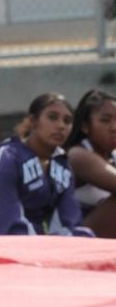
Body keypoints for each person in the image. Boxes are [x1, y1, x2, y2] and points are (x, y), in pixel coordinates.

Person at [0, 93, 93, 236]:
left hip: (40, 246)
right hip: (7, 245)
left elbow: (68, 223)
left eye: (67, 121)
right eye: (52, 117)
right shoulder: (5, 161)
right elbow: (6, 225)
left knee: (85, 237)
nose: (61, 126)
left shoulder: (62, 166)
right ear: (33, 121)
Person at [65, 89, 116, 238]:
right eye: (105, 120)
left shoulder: (113, 154)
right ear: (85, 126)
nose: (114, 127)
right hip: (69, 241)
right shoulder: (77, 155)